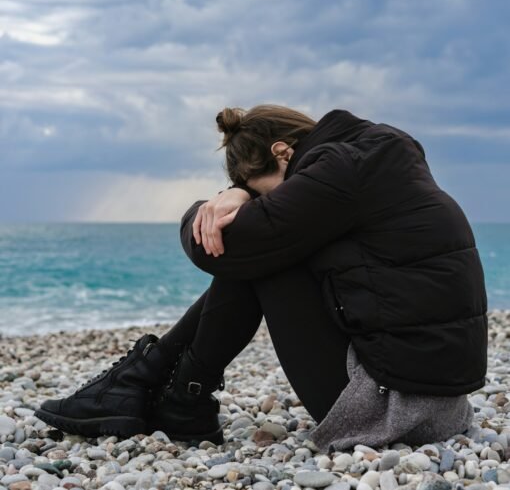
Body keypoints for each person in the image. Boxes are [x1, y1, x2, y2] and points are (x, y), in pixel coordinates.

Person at [35, 105, 488, 451]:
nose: (265, 201)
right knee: (268, 250)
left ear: (282, 152)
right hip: (440, 401)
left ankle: (161, 392)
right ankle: (165, 393)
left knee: (264, 258)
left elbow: (225, 249)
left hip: (397, 409)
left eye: (261, 191)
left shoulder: (339, 171)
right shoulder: (370, 156)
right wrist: (240, 192)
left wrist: (208, 209)